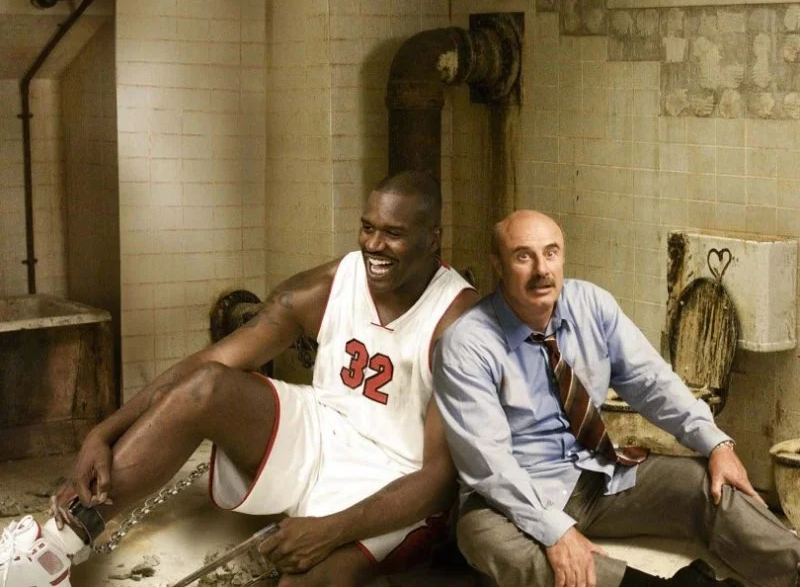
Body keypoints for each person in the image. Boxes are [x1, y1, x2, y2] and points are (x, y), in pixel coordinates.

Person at [0, 171, 478, 587]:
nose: (373, 244)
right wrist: (103, 431)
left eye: (393, 234)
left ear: (432, 238)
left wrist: (329, 529)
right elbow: (205, 365)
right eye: (368, 227)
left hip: (395, 477)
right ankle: (51, 553)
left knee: (309, 578)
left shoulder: (457, 322)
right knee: (207, 386)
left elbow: (438, 481)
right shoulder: (335, 282)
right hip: (321, 430)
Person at [433, 209, 800, 587]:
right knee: (485, 539)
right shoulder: (466, 345)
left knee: (702, 481)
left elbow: (651, 382)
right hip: (511, 498)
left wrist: (716, 443)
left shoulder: (591, 305)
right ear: (498, 265)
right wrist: (554, 530)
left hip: (595, 473)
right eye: (523, 256)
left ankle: (794, 567)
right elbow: (490, 464)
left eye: (551, 253)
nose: (542, 269)